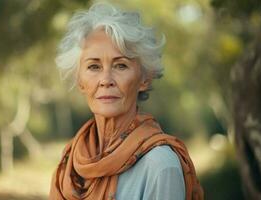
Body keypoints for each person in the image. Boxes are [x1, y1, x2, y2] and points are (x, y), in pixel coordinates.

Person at [49, 3, 203, 200]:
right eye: (94, 67)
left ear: (144, 79)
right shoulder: (70, 163)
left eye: (121, 65)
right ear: (80, 81)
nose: (106, 80)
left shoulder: (161, 165)